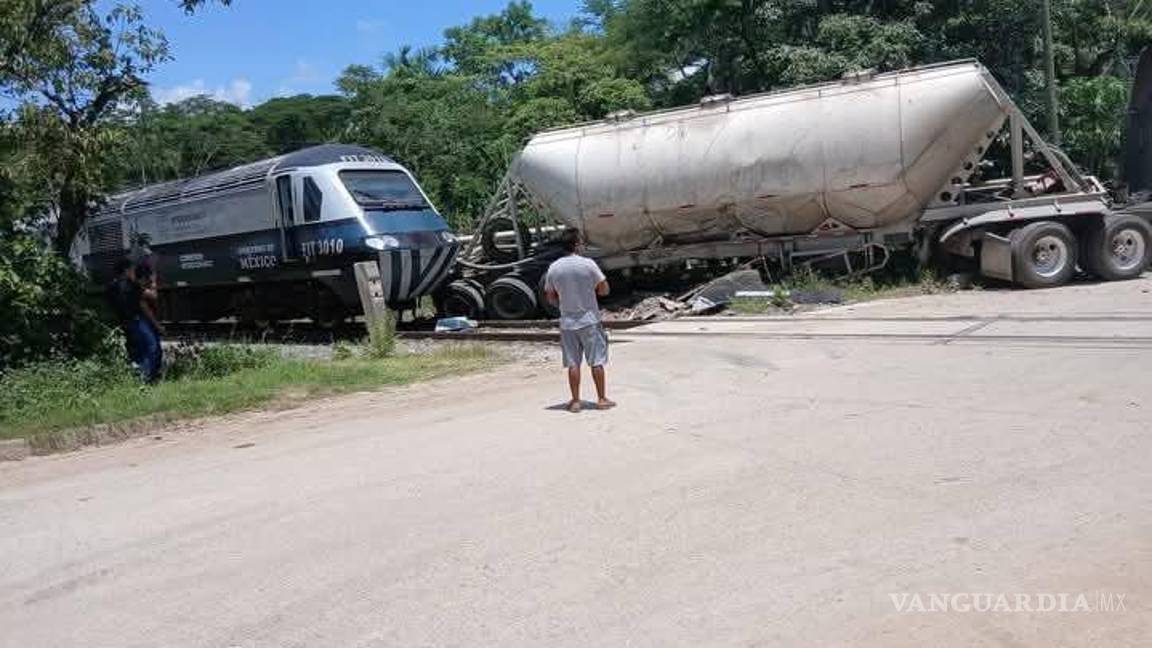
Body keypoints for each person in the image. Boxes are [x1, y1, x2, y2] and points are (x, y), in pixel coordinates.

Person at [543, 229, 616, 413]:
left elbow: (550, 296)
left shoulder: (554, 268)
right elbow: (604, 289)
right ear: (576, 244)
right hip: (590, 320)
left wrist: (564, 300)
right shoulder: (588, 264)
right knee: (596, 361)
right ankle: (601, 398)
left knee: (573, 363)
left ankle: (575, 401)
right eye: (581, 242)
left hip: (567, 322)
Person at [105, 258, 163, 383]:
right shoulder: (131, 285)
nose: (133, 272)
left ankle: (137, 375)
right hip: (136, 321)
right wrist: (153, 281)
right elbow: (153, 296)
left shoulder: (110, 287)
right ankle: (146, 379)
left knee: (136, 350)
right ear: (126, 270)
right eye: (131, 269)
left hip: (123, 322)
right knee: (151, 346)